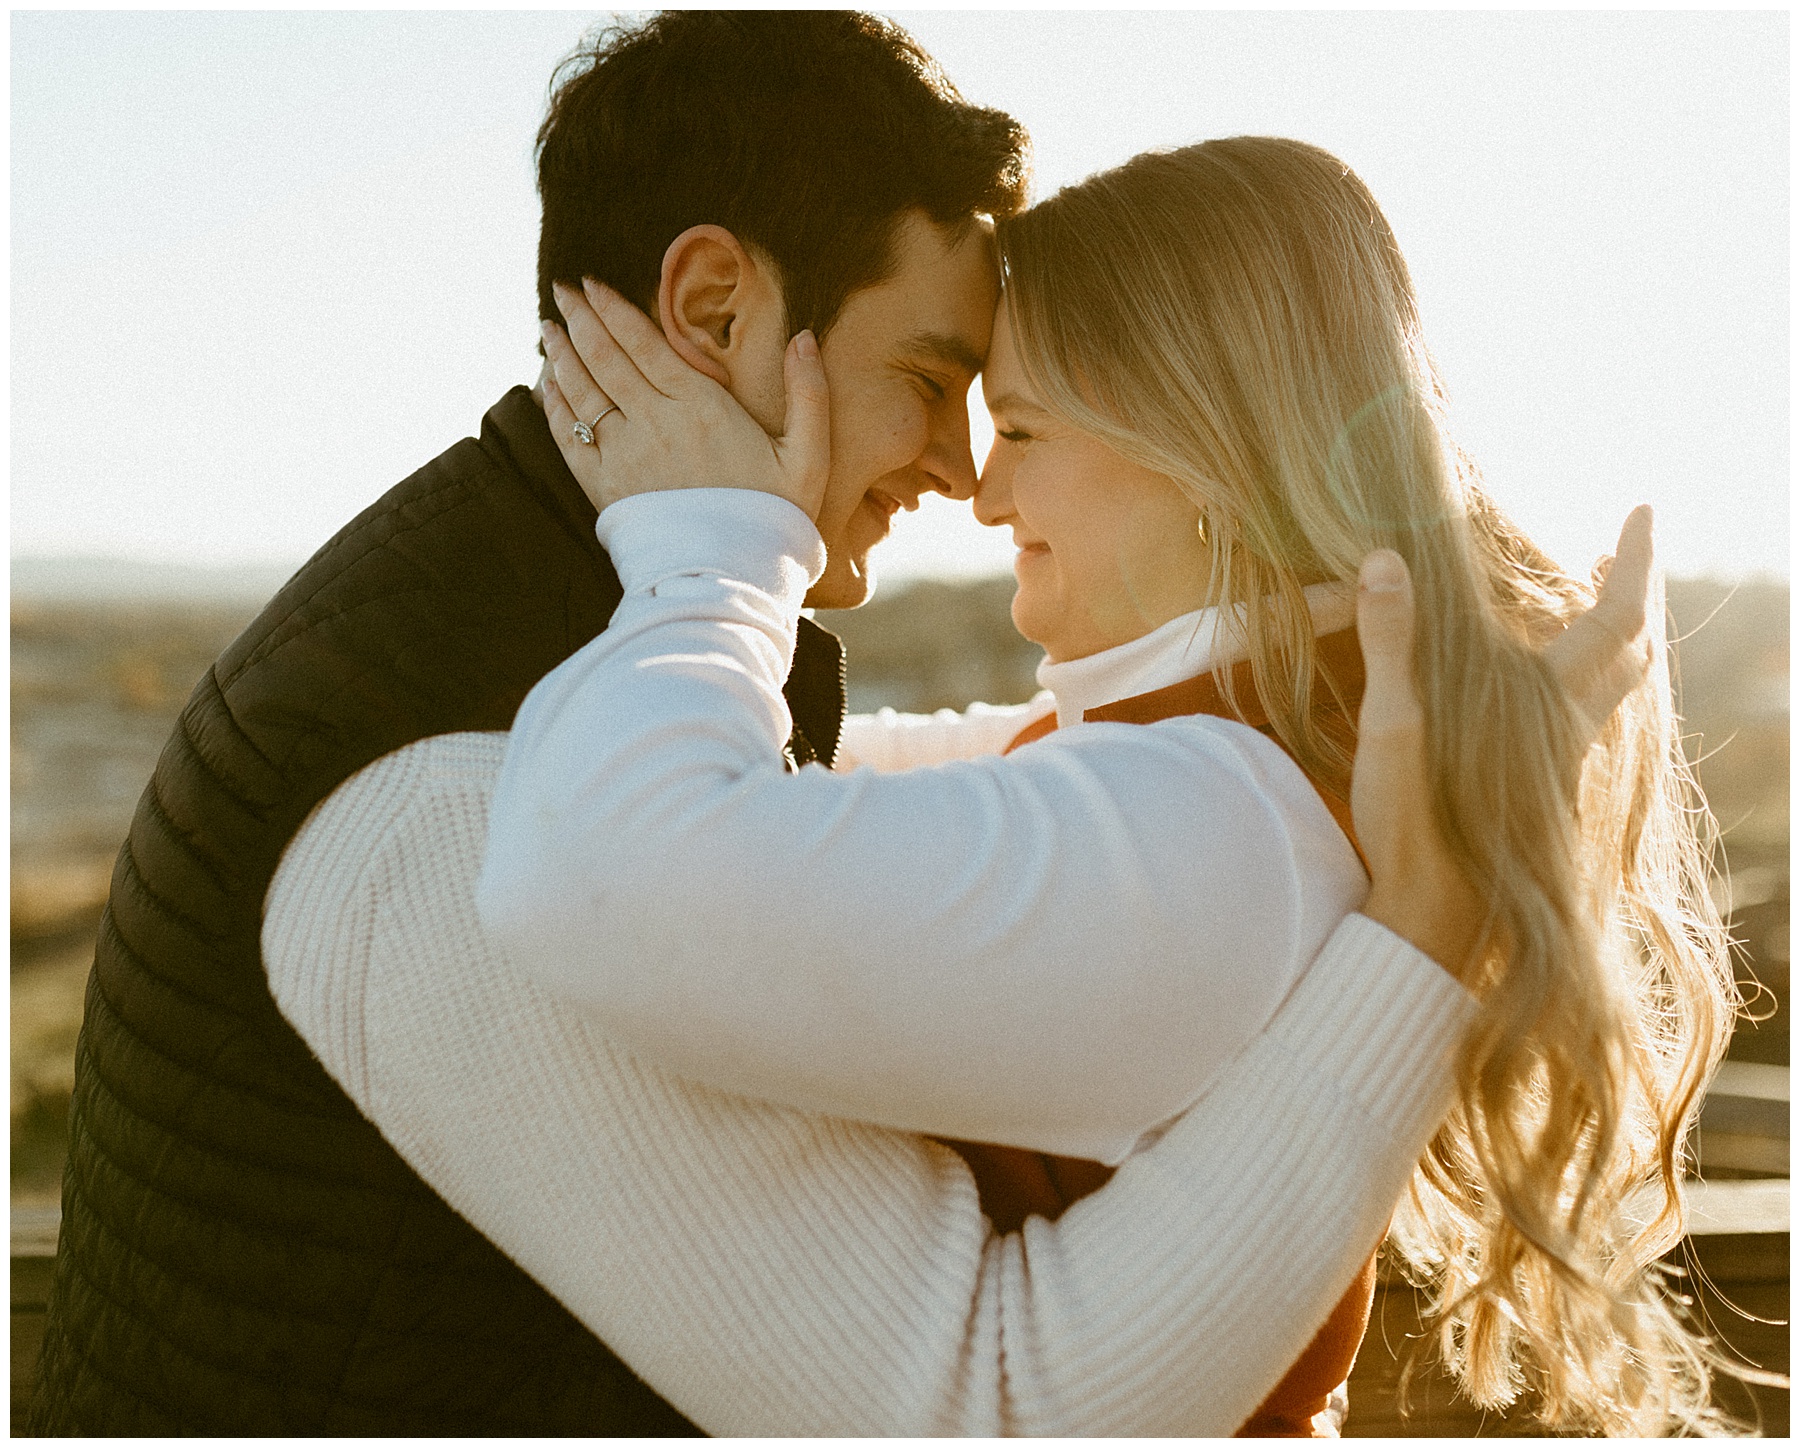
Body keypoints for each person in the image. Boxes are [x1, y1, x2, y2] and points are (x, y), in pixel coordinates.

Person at [486, 138, 1736, 1436]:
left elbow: (599, 864)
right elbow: (827, 782)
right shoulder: (1244, 752)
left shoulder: (1215, 821)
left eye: (1021, 426)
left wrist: (714, 546)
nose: (982, 488)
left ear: (1202, 451)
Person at [28, 12, 1030, 1434]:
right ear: (715, 310)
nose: (960, 465)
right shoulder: (457, 772)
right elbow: (972, 1393)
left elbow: (866, 788)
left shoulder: (539, 603)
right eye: (929, 382)